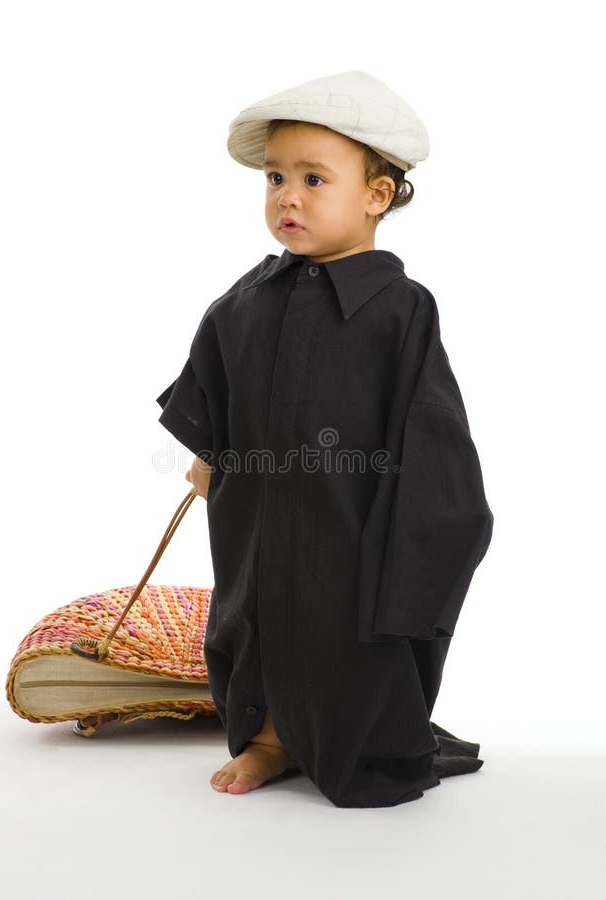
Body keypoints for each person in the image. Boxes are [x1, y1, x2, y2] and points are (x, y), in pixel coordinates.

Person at [156, 71, 494, 808]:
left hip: (355, 515)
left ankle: (357, 743)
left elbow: (430, 425)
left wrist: (425, 523)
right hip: (260, 513)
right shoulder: (246, 299)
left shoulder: (399, 310)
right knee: (258, 615)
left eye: (314, 178)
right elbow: (214, 374)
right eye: (276, 177)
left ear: (377, 195)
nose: (287, 195)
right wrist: (209, 452)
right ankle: (269, 739)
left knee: (349, 630)